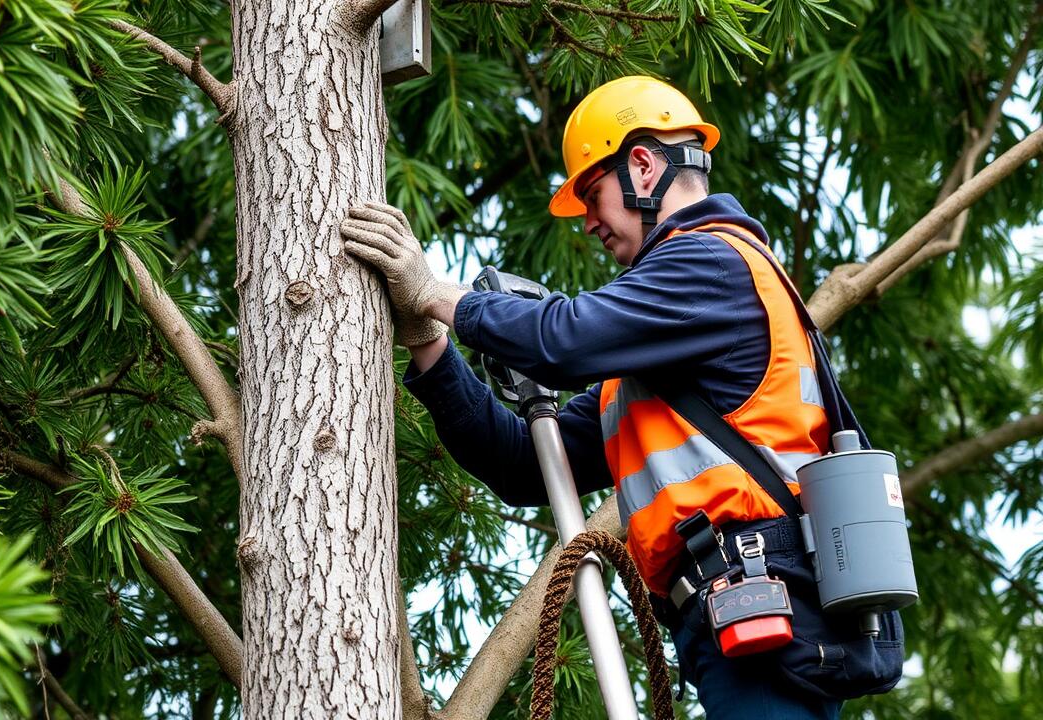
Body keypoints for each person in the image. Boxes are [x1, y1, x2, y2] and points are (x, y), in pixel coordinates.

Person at [339, 76, 902, 719]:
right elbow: (524, 466)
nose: (587, 222)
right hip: (730, 618)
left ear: (641, 165)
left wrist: (436, 293)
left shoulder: (709, 262)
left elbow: (564, 338)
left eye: (592, 193)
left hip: (761, 602)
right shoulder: (649, 370)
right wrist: (430, 346)